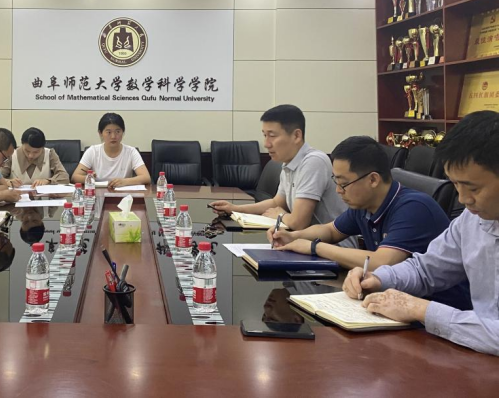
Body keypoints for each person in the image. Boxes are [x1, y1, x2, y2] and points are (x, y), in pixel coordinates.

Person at [344, 111, 499, 356]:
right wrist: (379, 278)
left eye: (473, 188)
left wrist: (422, 310)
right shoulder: (471, 220)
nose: (462, 199)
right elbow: (425, 270)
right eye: (456, 185)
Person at [270, 136, 455, 271]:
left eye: (344, 183)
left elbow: (382, 262)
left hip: (436, 306)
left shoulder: (413, 208)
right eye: (336, 181)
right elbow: (331, 231)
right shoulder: (364, 204)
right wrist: (292, 237)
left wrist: (314, 247)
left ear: (373, 180)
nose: (338, 190)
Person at [211, 104, 346, 230]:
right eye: (265, 135)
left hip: (330, 245)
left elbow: (298, 222)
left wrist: (280, 215)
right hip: (304, 241)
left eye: (272, 136)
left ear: (296, 136)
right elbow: (277, 202)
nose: (266, 144)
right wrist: (235, 209)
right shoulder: (288, 163)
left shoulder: (313, 162)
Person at [72, 112, 151, 189]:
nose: (113, 136)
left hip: (123, 195)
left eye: (117, 132)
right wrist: (89, 178)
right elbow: (75, 177)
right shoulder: (93, 151)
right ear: (100, 133)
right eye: (109, 132)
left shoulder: (131, 152)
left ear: (123, 132)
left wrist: (124, 182)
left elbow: (146, 177)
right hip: (97, 194)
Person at [0, 127, 70, 187]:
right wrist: (8, 182)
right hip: (15, 197)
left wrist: (48, 181)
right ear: (22, 144)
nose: (30, 155)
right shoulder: (11, 154)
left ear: (43, 147)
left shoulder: (49, 154)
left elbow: (64, 177)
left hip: (44, 197)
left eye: (36, 152)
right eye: (27, 151)